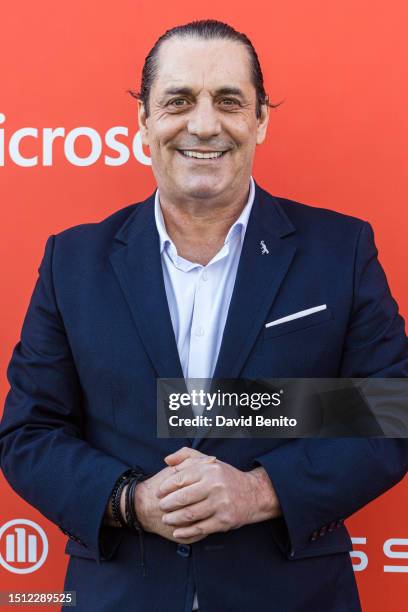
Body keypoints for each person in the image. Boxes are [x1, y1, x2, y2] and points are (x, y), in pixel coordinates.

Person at [1, 19, 407, 612]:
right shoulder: (74, 260)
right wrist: (129, 501)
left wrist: (258, 491)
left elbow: (389, 409)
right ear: (144, 121)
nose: (204, 124)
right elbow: (29, 433)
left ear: (260, 119)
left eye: (228, 101)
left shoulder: (338, 250)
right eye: (178, 101)